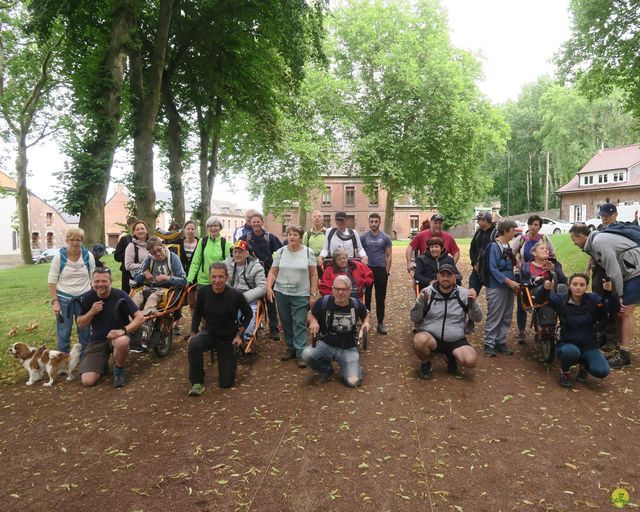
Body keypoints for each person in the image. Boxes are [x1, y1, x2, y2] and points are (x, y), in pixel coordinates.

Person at [570, 223, 640, 367]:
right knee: (620, 312)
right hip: (630, 272)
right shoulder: (596, 241)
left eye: (574, 240)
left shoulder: (598, 242)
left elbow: (613, 270)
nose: (574, 244)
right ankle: (620, 350)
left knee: (625, 311)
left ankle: (625, 356)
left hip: (636, 272)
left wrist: (618, 295)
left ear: (581, 237)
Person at [536, 273, 618, 388]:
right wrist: (544, 289)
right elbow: (540, 301)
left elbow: (614, 308)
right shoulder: (561, 300)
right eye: (575, 284)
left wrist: (609, 292)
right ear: (569, 286)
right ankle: (565, 371)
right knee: (571, 353)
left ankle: (584, 365)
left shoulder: (593, 299)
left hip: (589, 345)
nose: (578, 287)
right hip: (568, 343)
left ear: (586, 287)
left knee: (602, 371)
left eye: (582, 285)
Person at [187, 263, 253, 396]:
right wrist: (193, 332)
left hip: (228, 337)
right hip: (210, 333)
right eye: (214, 277)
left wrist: (239, 335)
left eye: (221, 277)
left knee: (226, 384)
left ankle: (229, 363)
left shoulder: (235, 295)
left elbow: (249, 314)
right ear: (209, 277)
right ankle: (197, 383)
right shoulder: (204, 292)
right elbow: (198, 312)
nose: (217, 280)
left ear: (227, 277)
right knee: (194, 344)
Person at [410, 264, 482, 379]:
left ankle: (451, 357)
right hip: (432, 337)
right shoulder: (427, 293)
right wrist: (420, 304)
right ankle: (425, 363)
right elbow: (414, 319)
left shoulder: (464, 294)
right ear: (437, 277)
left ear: (454, 277)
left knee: (471, 361)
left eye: (449, 275)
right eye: (442, 275)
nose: (446, 278)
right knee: (419, 340)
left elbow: (477, 318)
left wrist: (473, 303)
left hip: (456, 339)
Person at [77, 267, 145, 388]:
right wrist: (91, 312)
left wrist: (123, 331)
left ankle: (119, 370)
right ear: (92, 282)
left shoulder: (120, 295)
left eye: (104, 281)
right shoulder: (87, 298)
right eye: (97, 281)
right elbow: (81, 324)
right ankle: (102, 364)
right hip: (98, 340)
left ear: (110, 281)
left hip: (117, 337)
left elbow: (140, 318)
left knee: (122, 341)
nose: (100, 285)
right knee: (87, 381)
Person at [303, 275, 370, 386]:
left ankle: (351, 367)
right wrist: (313, 321)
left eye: (343, 289)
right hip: (326, 343)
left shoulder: (356, 303)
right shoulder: (324, 301)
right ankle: (326, 370)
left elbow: (366, 314)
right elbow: (310, 314)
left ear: (349, 290)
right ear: (332, 289)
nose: (340, 292)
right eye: (337, 289)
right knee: (307, 354)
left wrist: (366, 322)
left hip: (348, 347)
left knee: (354, 382)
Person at [266, 225, 318, 368]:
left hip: (301, 293)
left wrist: (313, 294)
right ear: (287, 236)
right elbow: (272, 272)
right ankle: (290, 348)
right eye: (290, 234)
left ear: (300, 237)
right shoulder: (281, 252)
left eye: (295, 234)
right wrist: (269, 287)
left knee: (299, 322)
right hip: (281, 292)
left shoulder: (308, 253)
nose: (292, 237)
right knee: (286, 321)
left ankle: (301, 352)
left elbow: (313, 274)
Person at [48, 228, 96, 353]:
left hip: (84, 299)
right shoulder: (59, 257)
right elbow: (52, 281)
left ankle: (85, 360)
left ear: (82, 241)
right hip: (64, 300)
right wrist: (55, 302)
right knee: (64, 332)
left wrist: (94, 297)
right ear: (67, 241)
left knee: (85, 331)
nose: (75, 243)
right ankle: (63, 363)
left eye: (78, 240)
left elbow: (94, 278)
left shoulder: (88, 256)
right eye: (72, 240)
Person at [512, 215, 557, 343]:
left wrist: (549, 264)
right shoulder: (521, 239)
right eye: (531, 224)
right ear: (528, 225)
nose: (533, 227)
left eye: (536, 225)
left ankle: (543, 327)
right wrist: (517, 265)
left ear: (539, 227)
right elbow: (512, 253)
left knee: (544, 296)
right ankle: (521, 331)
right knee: (522, 302)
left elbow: (552, 253)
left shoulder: (544, 238)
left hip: (542, 271)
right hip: (524, 272)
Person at [240, 212, 283, 340]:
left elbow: (280, 252)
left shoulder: (270, 238)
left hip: (268, 274)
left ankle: (273, 329)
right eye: (254, 221)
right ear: (250, 223)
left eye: (258, 221)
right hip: (251, 274)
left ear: (262, 222)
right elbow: (236, 252)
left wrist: (275, 267)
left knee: (270, 300)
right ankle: (251, 326)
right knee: (252, 300)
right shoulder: (244, 238)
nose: (256, 224)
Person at [586, 204, 619, 359]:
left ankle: (612, 340)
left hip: (611, 271)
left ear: (615, 215)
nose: (605, 218)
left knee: (610, 305)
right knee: (598, 303)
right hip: (598, 271)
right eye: (602, 215)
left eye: (607, 215)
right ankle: (603, 335)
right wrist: (588, 269)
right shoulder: (600, 228)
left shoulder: (618, 230)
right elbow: (593, 252)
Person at [483, 219, 519, 357]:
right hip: (497, 286)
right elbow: (492, 268)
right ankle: (489, 343)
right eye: (513, 230)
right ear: (505, 231)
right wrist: (509, 282)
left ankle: (500, 341)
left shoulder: (507, 245)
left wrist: (513, 283)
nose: (514, 233)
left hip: (508, 286)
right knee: (495, 314)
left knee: (506, 314)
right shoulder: (493, 246)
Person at [224, 240, 267, 343]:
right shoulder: (225, 265)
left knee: (249, 312)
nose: (237, 254)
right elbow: (224, 283)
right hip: (231, 295)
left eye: (240, 252)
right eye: (235, 252)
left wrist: (244, 297)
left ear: (246, 253)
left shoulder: (256, 266)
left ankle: (246, 338)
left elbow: (262, 287)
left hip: (249, 296)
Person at [132, 237, 187, 316]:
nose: (157, 254)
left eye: (159, 250)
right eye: (154, 253)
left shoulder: (173, 258)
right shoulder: (149, 259)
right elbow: (136, 278)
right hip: (148, 288)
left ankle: (145, 321)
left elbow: (183, 280)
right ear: (150, 253)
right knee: (134, 302)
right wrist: (144, 274)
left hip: (166, 289)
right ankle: (129, 321)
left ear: (163, 247)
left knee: (152, 298)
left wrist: (166, 278)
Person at [360, 212, 393, 334]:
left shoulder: (385, 237)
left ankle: (380, 323)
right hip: (367, 270)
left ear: (380, 222)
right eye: (372, 221)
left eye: (376, 221)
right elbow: (359, 253)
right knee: (366, 298)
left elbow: (389, 255)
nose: (374, 224)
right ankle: (365, 322)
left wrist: (387, 272)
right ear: (369, 222)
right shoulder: (363, 237)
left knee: (380, 298)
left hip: (380, 270)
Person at [187, 216, 231, 291]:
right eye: (210, 226)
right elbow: (196, 262)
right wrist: (190, 279)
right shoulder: (202, 241)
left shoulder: (226, 243)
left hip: (219, 282)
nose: (213, 228)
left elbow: (229, 265)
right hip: (203, 282)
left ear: (220, 227)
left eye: (215, 225)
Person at [469, 211, 496, 295]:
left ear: (484, 220)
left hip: (491, 270)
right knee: (471, 293)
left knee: (492, 297)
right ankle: (470, 307)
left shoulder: (496, 232)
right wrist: (474, 263)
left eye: (478, 220)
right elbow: (472, 248)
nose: (477, 222)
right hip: (477, 269)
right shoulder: (478, 232)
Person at [113, 216, 139, 293]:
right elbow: (117, 257)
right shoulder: (125, 240)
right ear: (129, 226)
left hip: (142, 271)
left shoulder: (144, 239)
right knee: (127, 294)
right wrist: (129, 253)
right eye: (132, 225)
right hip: (127, 273)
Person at [124, 220, 150, 289]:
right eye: (137, 229)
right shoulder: (131, 246)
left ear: (146, 230)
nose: (140, 231)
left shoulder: (152, 244)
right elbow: (128, 265)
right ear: (134, 232)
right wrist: (145, 267)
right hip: (139, 278)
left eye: (142, 229)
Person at [304, 210, 326, 278]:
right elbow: (304, 250)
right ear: (312, 220)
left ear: (323, 219)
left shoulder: (327, 233)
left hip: (325, 264)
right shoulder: (307, 234)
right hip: (311, 264)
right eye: (315, 217)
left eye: (319, 216)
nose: (317, 218)